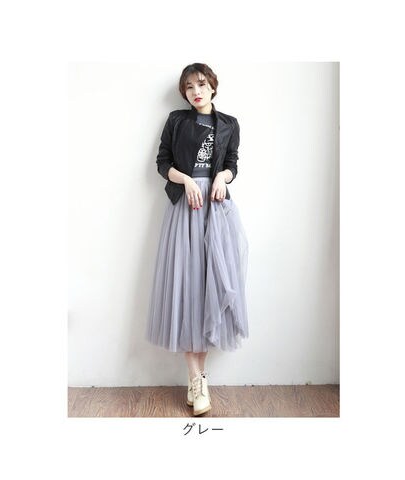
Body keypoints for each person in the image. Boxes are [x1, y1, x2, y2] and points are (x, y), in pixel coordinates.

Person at [146, 63, 249, 416]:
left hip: (216, 213)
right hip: (186, 209)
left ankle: (197, 381)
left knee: (210, 291)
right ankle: (197, 381)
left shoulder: (229, 124)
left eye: (201, 84)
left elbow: (233, 162)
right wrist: (187, 180)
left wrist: (223, 176)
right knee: (189, 290)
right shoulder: (177, 121)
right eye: (189, 87)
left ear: (213, 87)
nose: (196, 92)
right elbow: (162, 163)